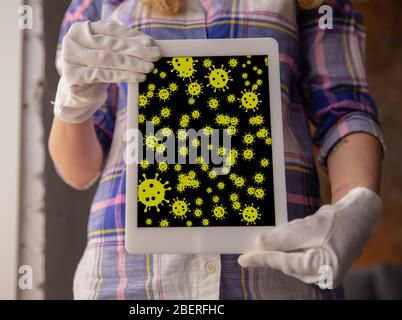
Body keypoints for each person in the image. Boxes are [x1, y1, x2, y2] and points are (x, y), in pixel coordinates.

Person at [49, 0, 384, 299]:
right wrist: (75, 98)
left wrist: (354, 205)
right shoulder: (97, 4)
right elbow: (78, 169)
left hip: (277, 277)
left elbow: (343, 110)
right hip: (129, 278)